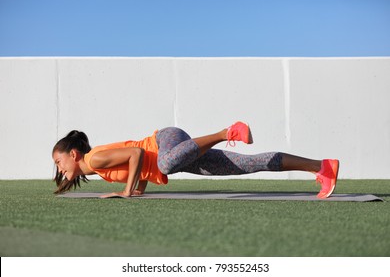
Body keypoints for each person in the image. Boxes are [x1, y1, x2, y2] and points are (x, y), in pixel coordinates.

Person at [52, 122, 339, 199]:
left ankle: (227, 131)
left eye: (59, 161)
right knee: (246, 165)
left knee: (165, 165)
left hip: (166, 140)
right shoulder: (99, 169)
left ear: (73, 154)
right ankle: (321, 167)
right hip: (176, 155)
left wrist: (127, 192)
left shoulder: (96, 158)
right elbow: (138, 167)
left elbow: (138, 153)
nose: (59, 168)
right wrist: (138, 188)